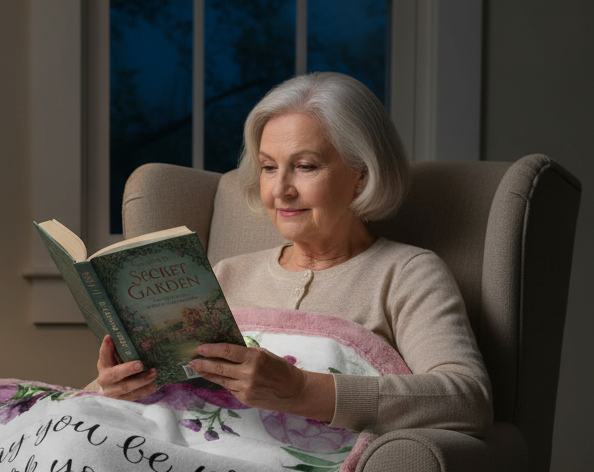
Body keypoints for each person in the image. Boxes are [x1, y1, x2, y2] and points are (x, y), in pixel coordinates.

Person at [92, 72, 493, 436]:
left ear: (361, 175)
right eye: (268, 167)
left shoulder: (406, 273)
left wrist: (302, 389)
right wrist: (112, 389)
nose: (280, 189)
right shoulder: (224, 275)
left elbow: (468, 399)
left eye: (304, 166)